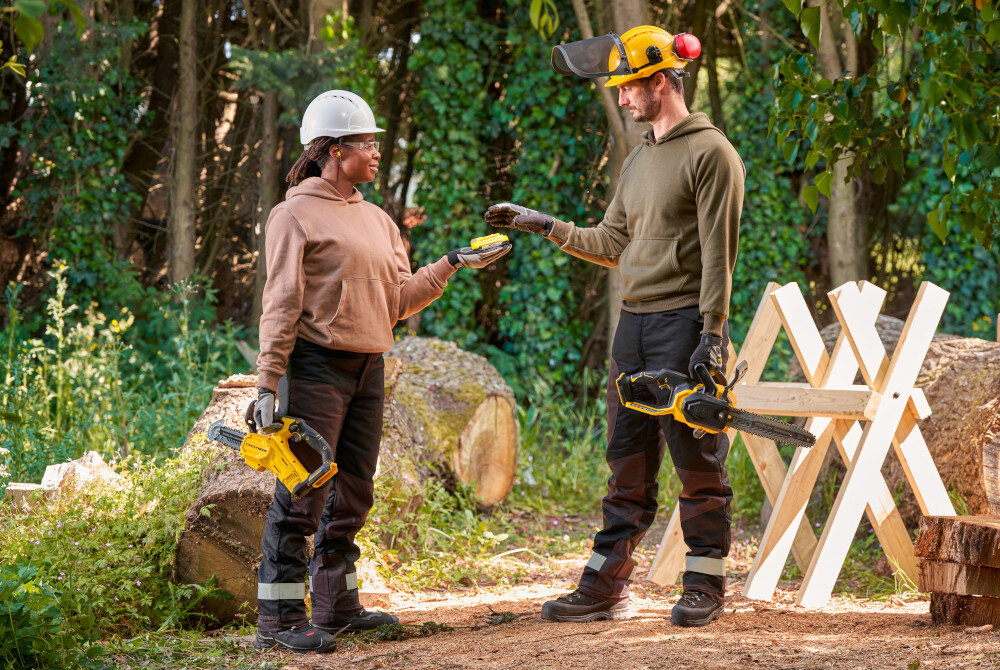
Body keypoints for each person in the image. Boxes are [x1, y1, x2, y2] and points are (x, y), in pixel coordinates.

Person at [486, 25, 744, 627]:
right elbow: (609, 242)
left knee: (697, 458)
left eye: (629, 88)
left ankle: (706, 583)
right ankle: (608, 586)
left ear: (661, 82)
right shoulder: (637, 160)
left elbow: (718, 253)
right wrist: (539, 222)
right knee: (626, 459)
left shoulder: (712, 153)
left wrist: (714, 333)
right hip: (634, 325)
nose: (622, 98)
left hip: (686, 324)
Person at [254, 90, 511, 653]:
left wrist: (450, 264)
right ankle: (277, 622)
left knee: (352, 492)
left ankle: (337, 605)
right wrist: (268, 381)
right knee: (303, 492)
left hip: (371, 367)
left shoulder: (377, 219)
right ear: (333, 149)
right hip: (317, 366)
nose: (375, 152)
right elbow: (280, 302)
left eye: (375, 142)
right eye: (366, 143)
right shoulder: (293, 214)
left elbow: (398, 300)